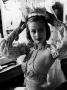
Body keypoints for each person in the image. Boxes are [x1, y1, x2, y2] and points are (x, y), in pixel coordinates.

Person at [0, 2, 67, 90]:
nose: (37, 35)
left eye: (41, 30)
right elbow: (6, 48)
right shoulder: (28, 48)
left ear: (46, 30)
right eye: (33, 31)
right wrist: (20, 28)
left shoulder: (51, 50)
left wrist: (54, 21)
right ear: (29, 32)